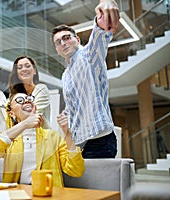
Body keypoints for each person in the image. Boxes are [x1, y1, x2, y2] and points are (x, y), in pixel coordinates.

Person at [51, 0, 120, 158]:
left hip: (99, 140)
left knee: (98, 184)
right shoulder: (66, 74)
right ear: (57, 50)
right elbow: (74, 105)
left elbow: (100, 34)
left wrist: (103, 11)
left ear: (78, 40)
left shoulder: (89, 56)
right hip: (78, 141)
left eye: (67, 38)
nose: (63, 43)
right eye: (58, 42)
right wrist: (66, 115)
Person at [0, 93, 85, 187]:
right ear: (11, 114)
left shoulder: (53, 136)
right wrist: (25, 124)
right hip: (18, 195)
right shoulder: (9, 138)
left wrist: (67, 134)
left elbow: (76, 170)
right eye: (20, 100)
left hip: (49, 195)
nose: (27, 101)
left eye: (29, 98)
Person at [8, 55, 51, 128]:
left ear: (34, 71)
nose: (24, 69)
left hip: (42, 136)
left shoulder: (41, 89)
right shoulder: (14, 95)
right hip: (21, 136)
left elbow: (34, 116)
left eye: (27, 66)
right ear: (17, 74)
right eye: (20, 67)